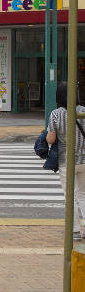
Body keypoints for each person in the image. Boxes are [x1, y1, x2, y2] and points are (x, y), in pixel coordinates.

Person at [47, 82, 85, 238]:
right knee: (83, 194)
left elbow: (50, 139)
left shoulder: (56, 114)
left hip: (66, 160)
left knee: (70, 196)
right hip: (84, 159)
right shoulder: (83, 111)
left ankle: (75, 229)